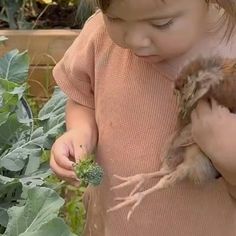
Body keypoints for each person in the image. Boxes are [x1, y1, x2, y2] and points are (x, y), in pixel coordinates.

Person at [50, 0, 236, 235]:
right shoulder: (99, 37)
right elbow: (82, 98)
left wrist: (229, 158)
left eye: (161, 23)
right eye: (114, 19)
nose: (134, 40)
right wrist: (79, 132)